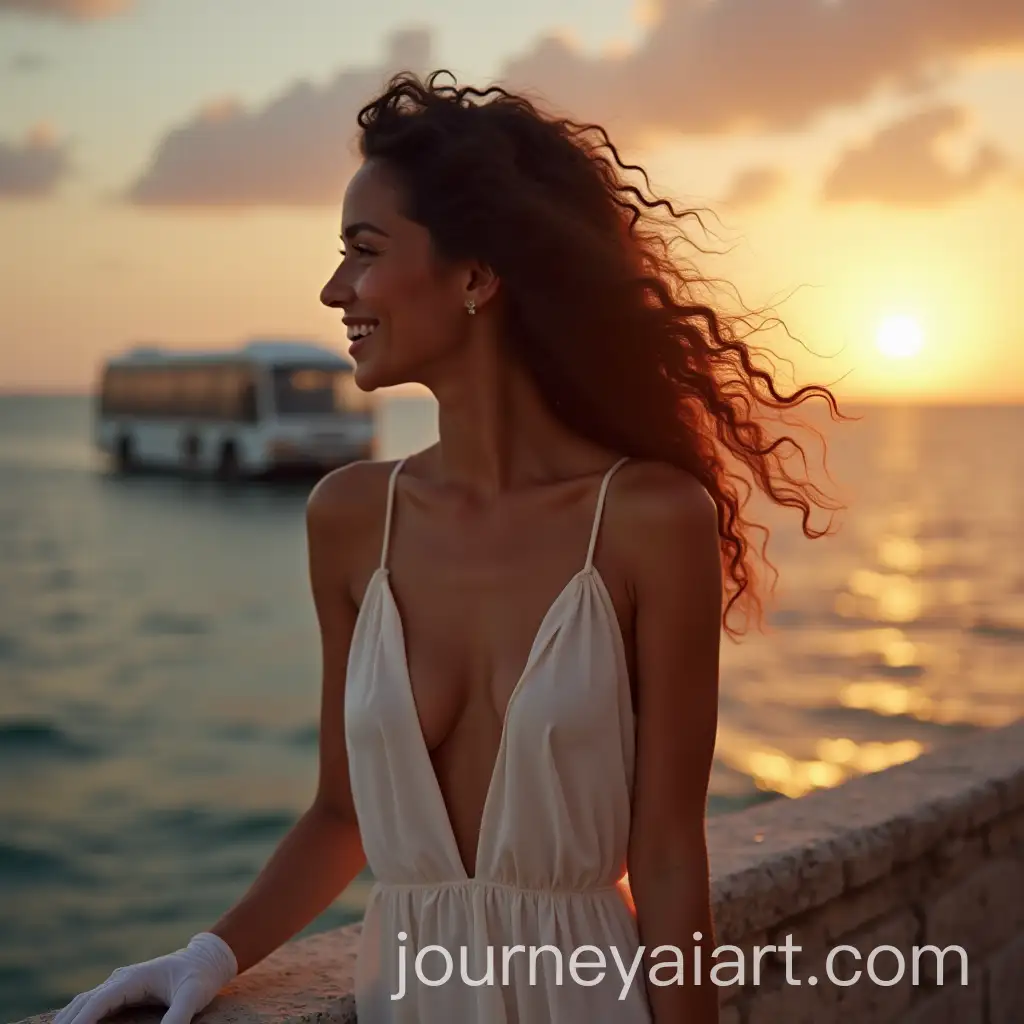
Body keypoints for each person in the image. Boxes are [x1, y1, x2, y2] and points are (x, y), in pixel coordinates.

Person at [53, 71, 842, 1024]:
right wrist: (208, 954)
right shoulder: (350, 518)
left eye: (364, 251)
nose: (334, 288)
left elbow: (670, 856)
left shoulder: (644, 520)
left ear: (475, 276)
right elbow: (342, 816)